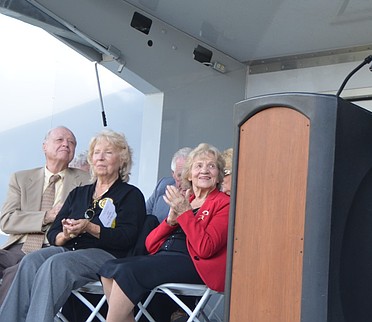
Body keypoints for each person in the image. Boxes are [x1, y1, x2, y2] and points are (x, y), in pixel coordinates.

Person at [0, 129, 145, 322]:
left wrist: (89, 227)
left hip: (106, 255)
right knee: (31, 261)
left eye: (108, 152)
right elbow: (53, 233)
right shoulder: (79, 192)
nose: (100, 157)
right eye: (96, 153)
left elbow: (127, 238)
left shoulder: (130, 194)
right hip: (70, 249)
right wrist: (65, 235)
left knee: (55, 264)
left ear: (122, 160)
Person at [99, 143, 229, 322]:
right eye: (198, 166)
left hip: (194, 263)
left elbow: (205, 248)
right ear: (189, 174)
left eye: (211, 166)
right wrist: (169, 221)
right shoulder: (186, 200)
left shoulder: (224, 203)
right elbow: (150, 244)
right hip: (166, 257)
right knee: (109, 269)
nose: (204, 170)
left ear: (218, 175)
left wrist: (184, 213)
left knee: (127, 272)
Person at [0, 126, 90, 303]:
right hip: (17, 246)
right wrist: (46, 216)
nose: (66, 144)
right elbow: (6, 220)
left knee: (18, 272)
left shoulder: (86, 181)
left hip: (53, 249)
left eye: (71, 142)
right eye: (60, 140)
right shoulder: (21, 178)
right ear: (44, 146)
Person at [145, 147, 192, 222]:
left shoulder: (202, 196)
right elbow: (144, 214)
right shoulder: (163, 185)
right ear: (173, 174)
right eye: (180, 176)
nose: (185, 181)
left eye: (188, 175)